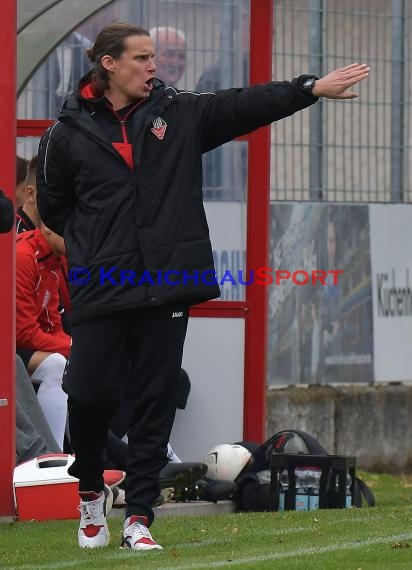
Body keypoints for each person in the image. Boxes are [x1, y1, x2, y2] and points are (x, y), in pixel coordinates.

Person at [36, 22, 369, 551]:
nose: (154, 66)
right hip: (102, 283)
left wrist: (308, 89)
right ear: (108, 64)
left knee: (155, 399)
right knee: (90, 395)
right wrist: (99, 244)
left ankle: (138, 517)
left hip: (166, 285)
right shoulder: (65, 134)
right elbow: (55, 205)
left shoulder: (178, 111)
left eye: (153, 57)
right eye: (142, 58)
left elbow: (243, 105)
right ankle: (90, 494)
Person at [16, 224, 70, 450]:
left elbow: (51, 324)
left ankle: (85, 459)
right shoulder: (24, 255)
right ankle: (53, 459)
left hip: (21, 343)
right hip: (10, 344)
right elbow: (23, 333)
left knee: (84, 367)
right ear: (48, 228)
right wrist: (71, 345)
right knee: (57, 364)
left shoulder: (53, 260)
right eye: (71, 232)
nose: (78, 238)